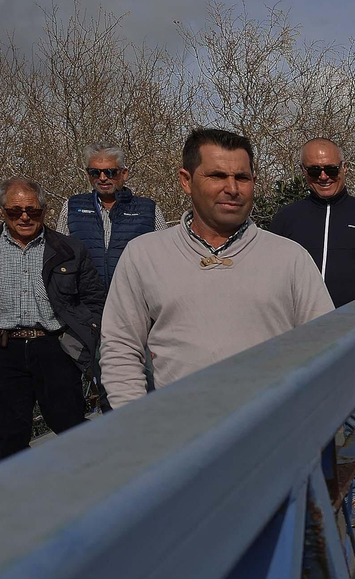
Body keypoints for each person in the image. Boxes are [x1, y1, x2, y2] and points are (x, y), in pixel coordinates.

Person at [99, 128, 334, 406]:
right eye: (217, 176)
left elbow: (325, 346)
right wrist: (137, 423)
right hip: (178, 436)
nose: (232, 189)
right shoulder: (144, 255)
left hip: (274, 434)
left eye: (242, 178)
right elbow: (120, 348)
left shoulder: (291, 258)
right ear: (186, 180)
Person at [0, 177, 105, 458]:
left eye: (32, 210)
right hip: (0, 351)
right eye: (15, 211)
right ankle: (22, 499)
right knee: (10, 438)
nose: (24, 217)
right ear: (2, 211)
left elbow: (94, 299)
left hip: (54, 347)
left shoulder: (70, 249)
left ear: (44, 210)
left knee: (71, 427)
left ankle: (84, 490)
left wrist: (82, 338)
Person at [268, 139, 355, 308]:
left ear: (344, 168)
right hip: (300, 329)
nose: (323, 176)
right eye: (314, 170)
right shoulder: (286, 218)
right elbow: (268, 277)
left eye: (331, 169)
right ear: (303, 171)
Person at [56, 143, 165, 290]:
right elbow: (59, 255)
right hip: (85, 302)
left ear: (124, 173)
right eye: (95, 172)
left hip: (134, 300)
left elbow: (164, 256)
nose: (102, 178)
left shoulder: (148, 210)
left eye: (110, 172)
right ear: (88, 174)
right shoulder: (72, 207)